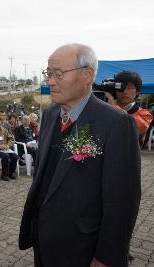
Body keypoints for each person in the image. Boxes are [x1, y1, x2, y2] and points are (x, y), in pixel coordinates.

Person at [18, 43, 141, 267]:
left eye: (59, 73)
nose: (50, 81)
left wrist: (106, 257)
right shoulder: (51, 114)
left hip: (83, 247)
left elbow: (122, 201)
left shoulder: (116, 124)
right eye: (48, 73)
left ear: (87, 75)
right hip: (43, 239)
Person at [106, 71, 153, 146]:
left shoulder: (145, 115)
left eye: (129, 88)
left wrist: (112, 107)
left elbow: (132, 128)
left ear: (137, 91)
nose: (125, 91)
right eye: (121, 87)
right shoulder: (104, 109)